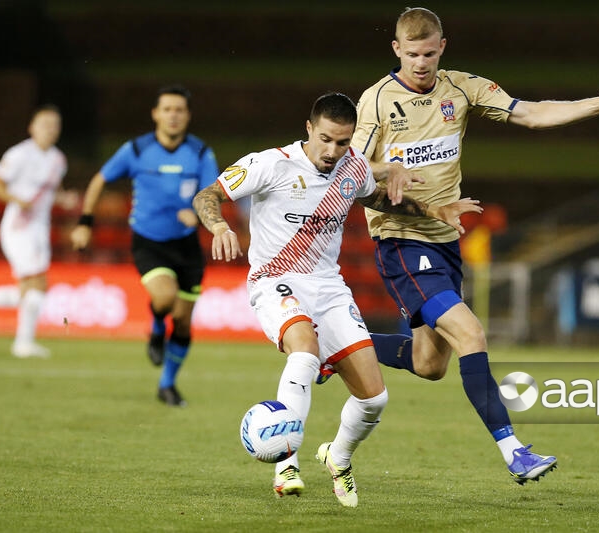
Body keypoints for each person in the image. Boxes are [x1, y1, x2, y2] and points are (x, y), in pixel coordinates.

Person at [351, 7, 599, 484]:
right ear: (395, 50)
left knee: (430, 364)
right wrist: (402, 189)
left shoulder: (462, 88)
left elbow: (528, 113)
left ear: (442, 47)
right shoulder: (377, 102)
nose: (421, 64)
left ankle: (333, 344)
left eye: (429, 53)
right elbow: (353, 179)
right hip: (402, 241)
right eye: (411, 55)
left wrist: (598, 102)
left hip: (446, 243)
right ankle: (514, 451)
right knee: (471, 334)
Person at [192, 92, 481, 507]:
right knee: (305, 352)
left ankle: (338, 457)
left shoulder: (353, 168)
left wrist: (433, 212)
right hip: (276, 279)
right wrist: (219, 227)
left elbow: (376, 197)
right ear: (309, 129)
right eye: (325, 139)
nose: (332, 151)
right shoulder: (269, 164)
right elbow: (208, 195)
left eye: (342, 142)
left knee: (374, 398)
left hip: (328, 287)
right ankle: (285, 464)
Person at [70, 85, 219, 407]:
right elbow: (99, 180)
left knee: (182, 320)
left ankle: (167, 385)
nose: (173, 115)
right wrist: (85, 222)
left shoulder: (201, 153)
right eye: (167, 109)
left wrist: (197, 213)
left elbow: (212, 194)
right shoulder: (136, 151)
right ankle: (154, 327)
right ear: (155, 114)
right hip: (149, 242)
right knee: (164, 298)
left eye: (179, 110)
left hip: (186, 248)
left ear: (188, 116)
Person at [0, 105, 67, 358]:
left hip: (40, 229)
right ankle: (23, 343)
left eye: (55, 125)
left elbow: (53, 192)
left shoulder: (58, 160)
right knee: (36, 283)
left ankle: (24, 342)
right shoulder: (19, 154)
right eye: (45, 123)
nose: (50, 129)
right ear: (32, 127)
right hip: (19, 227)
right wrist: (16, 199)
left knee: (35, 290)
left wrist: (64, 199)